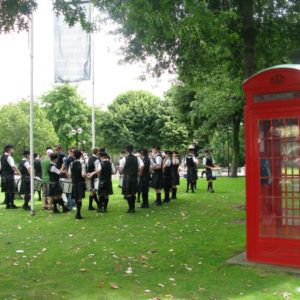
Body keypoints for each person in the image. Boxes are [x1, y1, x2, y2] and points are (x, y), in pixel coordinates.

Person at [120, 144, 144, 213]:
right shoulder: (137, 158)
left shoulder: (124, 159)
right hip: (134, 177)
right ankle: (133, 208)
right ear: (133, 150)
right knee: (133, 192)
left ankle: (131, 208)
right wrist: (140, 173)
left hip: (127, 177)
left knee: (128, 193)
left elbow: (121, 169)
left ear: (127, 150)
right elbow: (142, 166)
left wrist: (123, 172)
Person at [0, 144, 21, 209]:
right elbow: (13, 166)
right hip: (9, 176)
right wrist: (18, 172)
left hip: (4, 175)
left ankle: (7, 205)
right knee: (12, 190)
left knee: (6, 190)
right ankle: (12, 204)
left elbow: (0, 167)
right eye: (11, 149)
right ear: (9, 149)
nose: (12, 150)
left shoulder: (1, 157)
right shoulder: (9, 157)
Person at [69, 150, 86, 219]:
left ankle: (77, 214)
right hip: (80, 182)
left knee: (76, 198)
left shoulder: (71, 164)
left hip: (74, 182)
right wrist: (86, 175)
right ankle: (78, 213)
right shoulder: (82, 164)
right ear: (80, 156)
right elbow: (83, 175)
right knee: (79, 198)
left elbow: (70, 174)